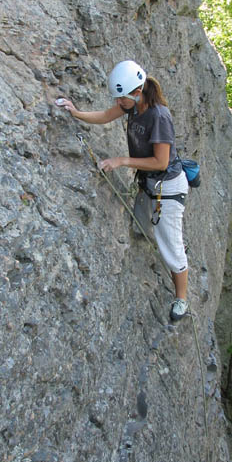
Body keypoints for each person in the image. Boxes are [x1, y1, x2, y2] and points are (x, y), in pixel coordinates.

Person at [56, 59, 190, 322]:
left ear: (137, 93)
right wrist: (76, 112)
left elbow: (161, 162)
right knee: (143, 225)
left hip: (168, 188)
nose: (118, 104)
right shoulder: (134, 106)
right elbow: (106, 116)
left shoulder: (159, 117)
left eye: (122, 99)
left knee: (170, 247)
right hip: (150, 184)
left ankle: (182, 299)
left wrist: (121, 161)